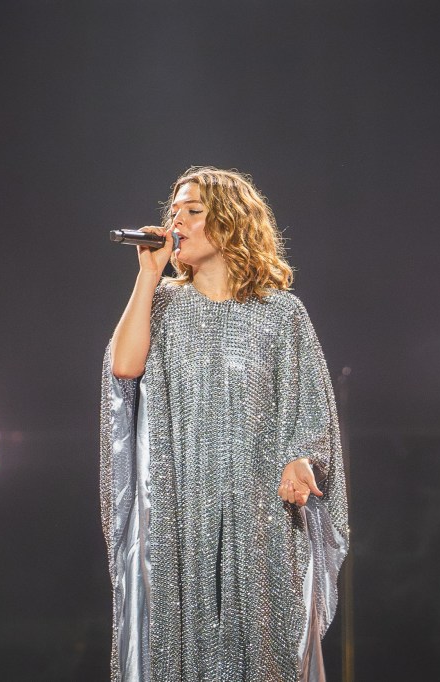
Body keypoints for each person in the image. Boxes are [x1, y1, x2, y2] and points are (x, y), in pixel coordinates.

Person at [100, 167, 349, 681]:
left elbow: (311, 409)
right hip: (181, 511)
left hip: (259, 519)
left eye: (193, 211)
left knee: (266, 655)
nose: (177, 221)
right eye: (174, 211)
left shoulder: (282, 314)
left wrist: (302, 459)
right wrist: (148, 276)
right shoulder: (163, 304)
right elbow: (123, 369)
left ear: (232, 222)